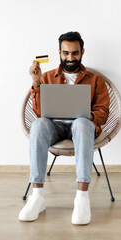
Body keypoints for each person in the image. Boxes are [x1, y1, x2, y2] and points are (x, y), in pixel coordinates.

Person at [18, 31, 110, 225]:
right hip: (55, 127)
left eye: (75, 53)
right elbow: (39, 112)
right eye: (66, 53)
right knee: (38, 124)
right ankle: (38, 196)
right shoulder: (48, 77)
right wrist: (36, 81)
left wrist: (87, 114)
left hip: (82, 128)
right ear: (59, 52)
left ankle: (82, 198)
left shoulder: (96, 80)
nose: (70, 58)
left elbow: (103, 112)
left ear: (82, 52)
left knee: (83, 123)